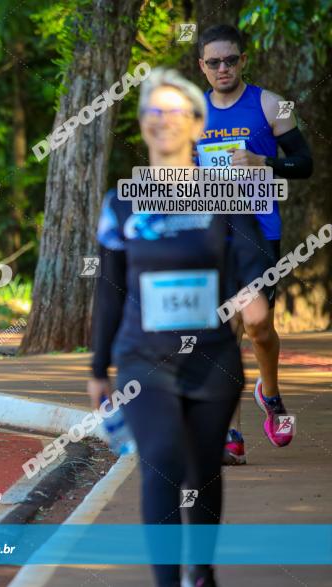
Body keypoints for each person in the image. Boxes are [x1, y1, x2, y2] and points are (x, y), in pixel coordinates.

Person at [89, 69, 273, 587]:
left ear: (196, 124)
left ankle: (202, 569)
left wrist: (251, 292)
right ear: (144, 125)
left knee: (203, 472)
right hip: (143, 358)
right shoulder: (122, 201)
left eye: (174, 112)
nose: (162, 121)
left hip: (212, 359)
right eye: (153, 112)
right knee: (163, 461)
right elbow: (110, 285)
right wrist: (96, 365)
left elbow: (250, 257)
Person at [196, 24, 313, 463]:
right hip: (213, 232)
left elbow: (305, 164)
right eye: (214, 62)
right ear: (202, 66)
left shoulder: (270, 104)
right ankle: (230, 434)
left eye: (230, 60)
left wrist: (265, 161)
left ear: (243, 60)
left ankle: (271, 393)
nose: (223, 68)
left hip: (260, 231)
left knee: (259, 327)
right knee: (226, 330)